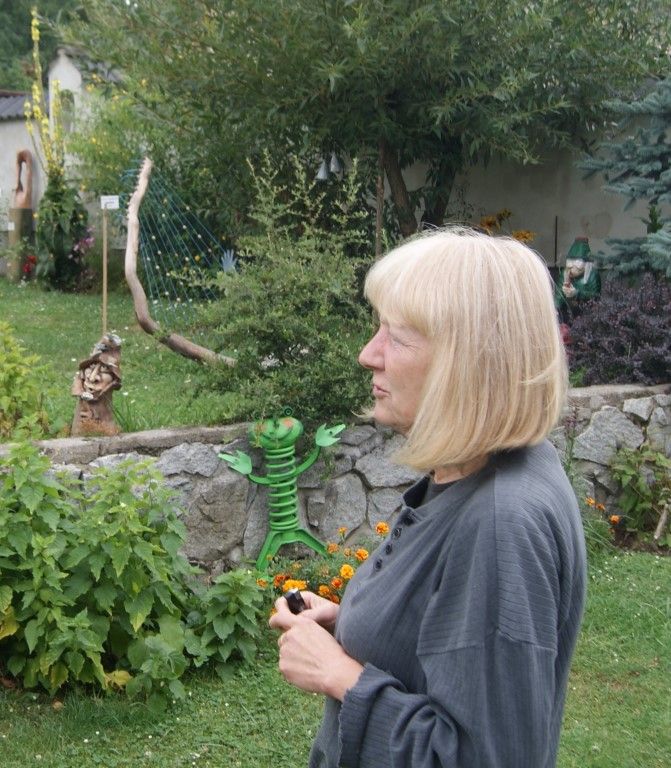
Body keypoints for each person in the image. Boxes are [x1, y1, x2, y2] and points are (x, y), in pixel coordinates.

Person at [270, 228, 587, 768]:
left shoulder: (502, 522)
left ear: (466, 363)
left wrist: (341, 675)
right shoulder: (476, 471)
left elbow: (488, 758)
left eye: (396, 337)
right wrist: (354, 626)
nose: (367, 354)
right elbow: (450, 637)